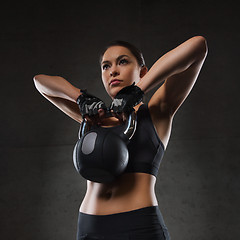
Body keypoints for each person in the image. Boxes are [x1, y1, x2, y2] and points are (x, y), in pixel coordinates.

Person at [33, 36, 208, 240]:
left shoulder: (156, 112)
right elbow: (40, 82)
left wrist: (139, 89)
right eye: (106, 66)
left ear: (142, 71)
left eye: (122, 61)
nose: (113, 71)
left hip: (139, 227)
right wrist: (80, 98)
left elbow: (197, 46)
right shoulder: (93, 119)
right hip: (91, 229)